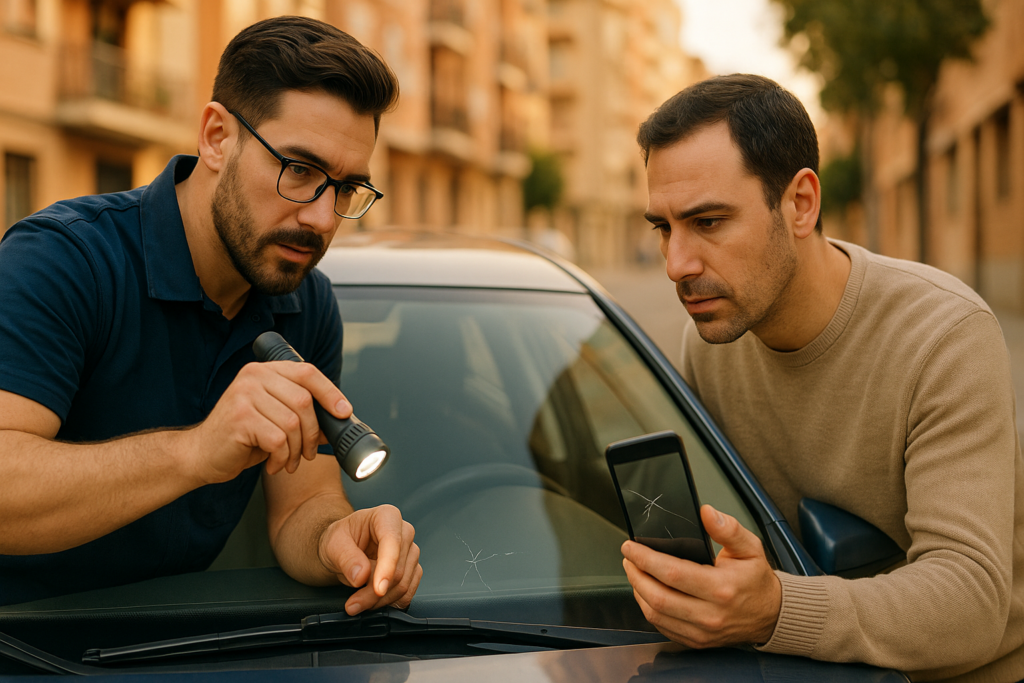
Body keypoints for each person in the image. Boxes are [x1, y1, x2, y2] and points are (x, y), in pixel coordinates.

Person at [0, 16, 421, 615]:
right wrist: (195, 452)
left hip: (186, 649)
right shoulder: (64, 261)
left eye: (347, 188)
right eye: (299, 170)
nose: (324, 220)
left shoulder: (306, 302)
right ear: (217, 137)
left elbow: (301, 504)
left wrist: (337, 541)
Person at [623, 73, 1024, 682]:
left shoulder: (942, 334)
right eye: (664, 227)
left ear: (801, 204)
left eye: (707, 222)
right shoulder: (711, 339)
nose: (677, 264)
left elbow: (970, 601)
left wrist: (775, 611)